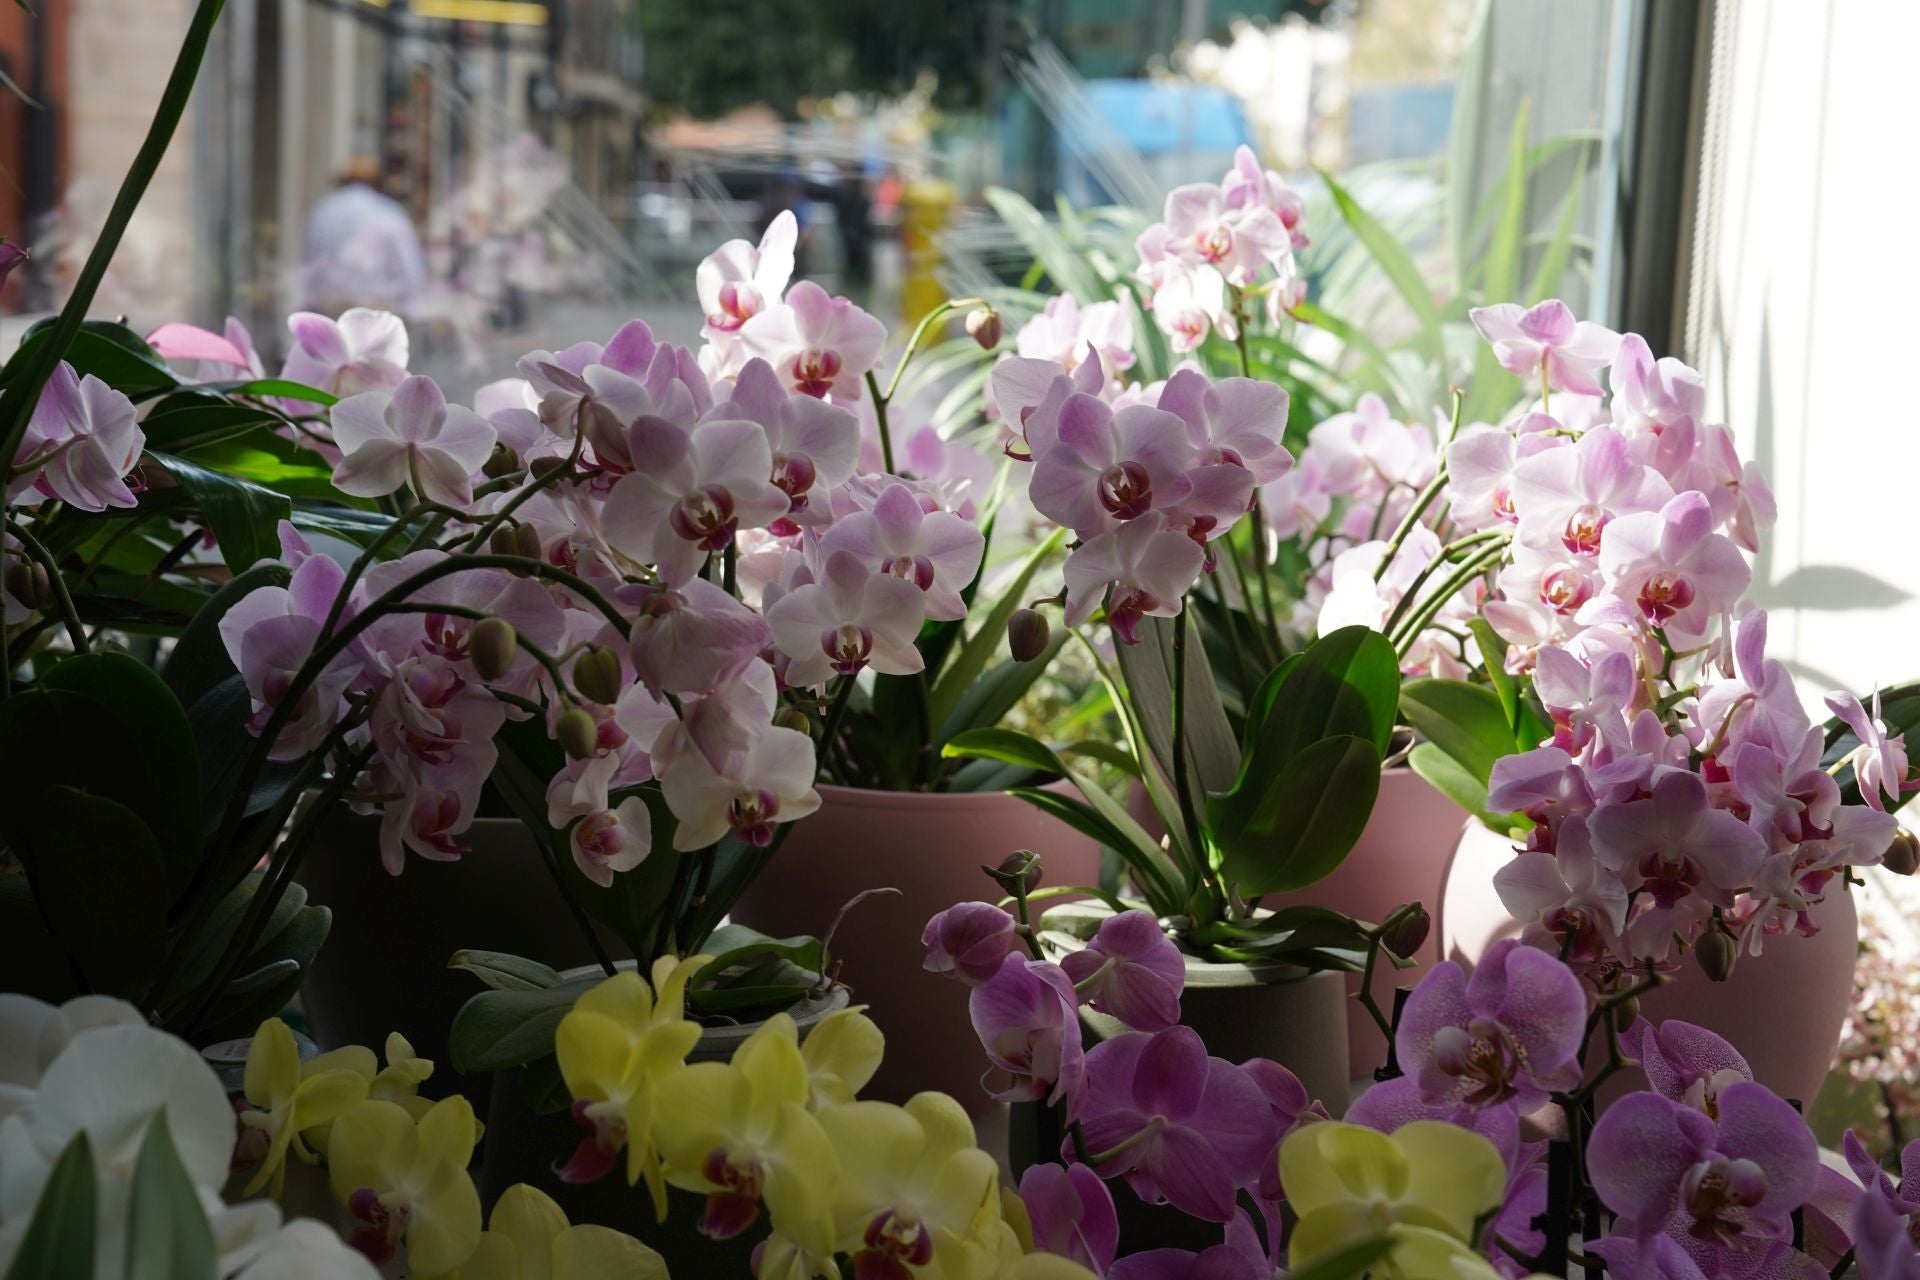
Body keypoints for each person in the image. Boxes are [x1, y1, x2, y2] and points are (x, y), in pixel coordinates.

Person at [299, 158, 428, 316]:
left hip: (327, 308)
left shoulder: (322, 210)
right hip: (375, 311)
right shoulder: (388, 212)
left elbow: (309, 261)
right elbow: (411, 273)